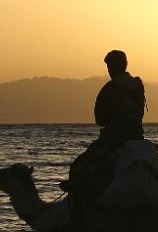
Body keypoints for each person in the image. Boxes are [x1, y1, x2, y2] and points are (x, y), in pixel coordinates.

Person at [62, 50, 146, 209]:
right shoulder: (137, 85)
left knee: (81, 166)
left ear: (113, 66)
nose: (108, 70)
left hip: (115, 140)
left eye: (109, 66)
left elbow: (99, 118)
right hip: (137, 137)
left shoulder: (111, 88)